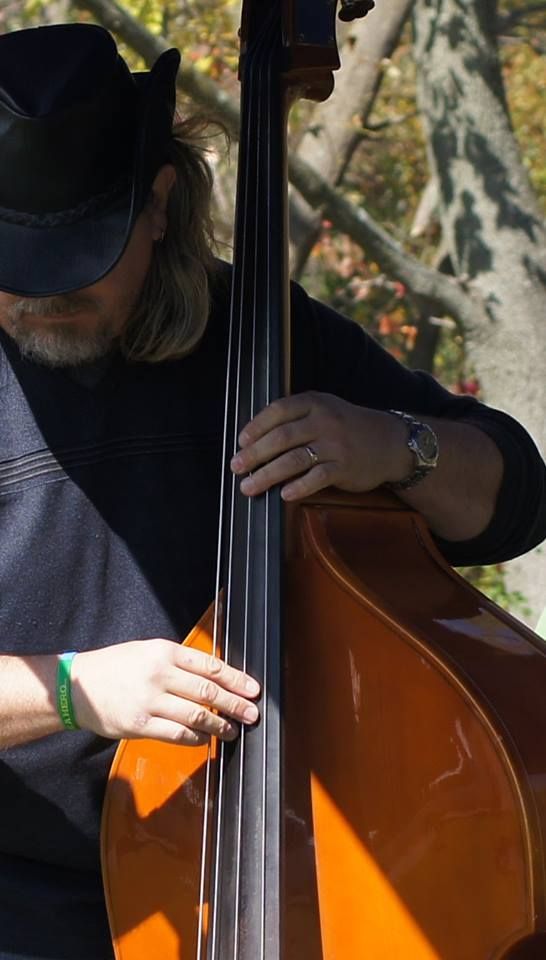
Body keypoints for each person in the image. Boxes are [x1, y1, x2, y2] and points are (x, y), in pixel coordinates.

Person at [0, 20, 544, 960]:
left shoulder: (260, 329)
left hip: (292, 878)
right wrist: (72, 687)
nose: (42, 296)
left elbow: (518, 500)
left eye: (80, 261)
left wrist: (396, 446)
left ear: (158, 205)